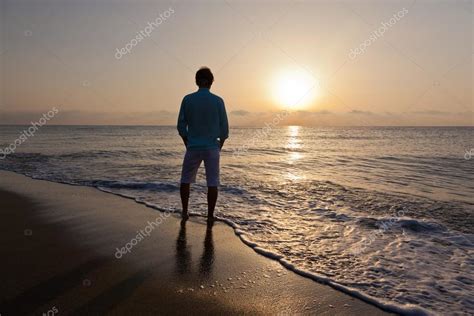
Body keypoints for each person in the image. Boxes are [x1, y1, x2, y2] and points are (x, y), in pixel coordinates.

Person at [177, 67, 229, 222]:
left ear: (196, 81)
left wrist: (187, 141)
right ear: (211, 82)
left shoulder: (188, 99)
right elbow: (224, 128)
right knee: (212, 182)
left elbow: (181, 126)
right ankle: (210, 216)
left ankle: (185, 212)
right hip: (212, 148)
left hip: (193, 146)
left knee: (185, 180)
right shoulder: (218, 101)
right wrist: (220, 144)